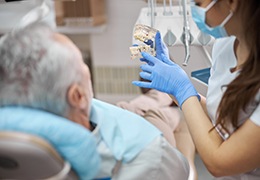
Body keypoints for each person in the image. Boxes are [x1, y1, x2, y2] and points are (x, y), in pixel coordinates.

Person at [0, 22, 190, 180]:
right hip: (150, 143)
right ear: (78, 96)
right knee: (166, 115)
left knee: (129, 107)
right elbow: (181, 170)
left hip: (99, 117)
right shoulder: (151, 157)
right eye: (83, 65)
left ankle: (159, 95)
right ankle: (165, 96)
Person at [133, 0, 260, 179]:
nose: (194, 10)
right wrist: (175, 88)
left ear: (233, 3)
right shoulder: (224, 47)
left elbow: (219, 163)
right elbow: (225, 118)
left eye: (198, 3)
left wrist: (182, 89)